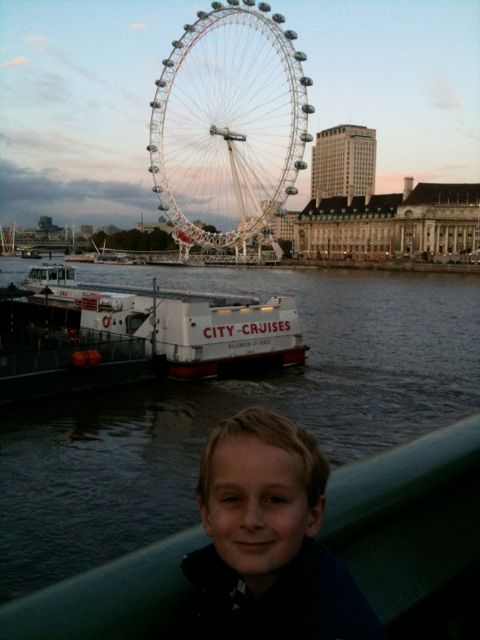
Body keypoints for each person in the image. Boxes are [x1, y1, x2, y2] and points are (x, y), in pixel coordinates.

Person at [180, 406, 388, 639]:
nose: (251, 521)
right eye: (232, 499)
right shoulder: (214, 580)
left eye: (275, 499)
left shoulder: (335, 627)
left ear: (314, 516)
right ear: (207, 515)